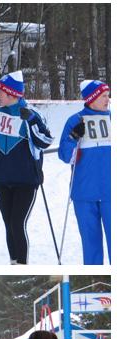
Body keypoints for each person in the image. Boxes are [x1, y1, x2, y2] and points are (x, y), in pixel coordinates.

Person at [0, 71, 54, 264]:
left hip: (25, 180)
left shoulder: (31, 113)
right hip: (1, 179)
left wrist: (32, 121)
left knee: (17, 224)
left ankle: (22, 265)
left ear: (10, 94)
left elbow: (45, 141)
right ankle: (13, 262)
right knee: (8, 224)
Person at [58, 79, 111, 264]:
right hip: (84, 194)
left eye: (108, 95)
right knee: (91, 248)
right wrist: (73, 137)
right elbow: (65, 156)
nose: (108, 100)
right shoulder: (75, 121)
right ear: (92, 98)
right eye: (104, 96)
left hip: (110, 193)